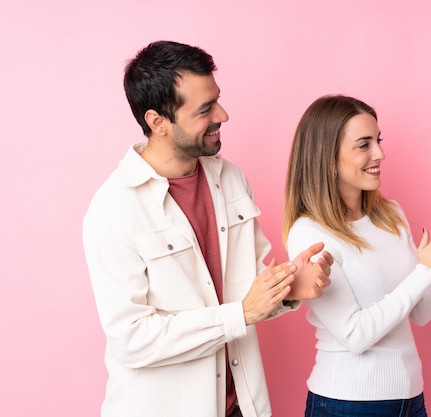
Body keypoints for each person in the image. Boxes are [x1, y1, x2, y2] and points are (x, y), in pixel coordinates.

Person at [82, 40, 333, 417]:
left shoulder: (231, 179)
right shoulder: (114, 208)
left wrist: (289, 284)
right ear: (157, 122)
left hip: (240, 407)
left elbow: (252, 287)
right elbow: (132, 339)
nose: (223, 114)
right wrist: (240, 314)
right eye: (205, 109)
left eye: (217, 99)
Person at [283, 95, 431, 417]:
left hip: (410, 399)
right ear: (327, 156)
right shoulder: (309, 234)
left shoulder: (390, 214)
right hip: (347, 404)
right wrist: (427, 269)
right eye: (364, 144)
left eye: (378, 141)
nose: (380, 153)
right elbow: (356, 334)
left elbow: (420, 311)